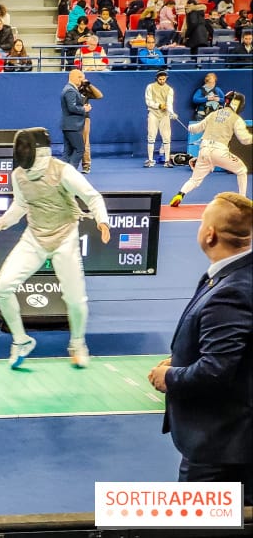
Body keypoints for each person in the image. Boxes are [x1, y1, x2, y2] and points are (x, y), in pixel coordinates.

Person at [147, 192, 252, 507]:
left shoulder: (230, 291)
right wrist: (180, 358)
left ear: (210, 233)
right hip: (231, 442)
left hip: (220, 448)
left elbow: (215, 371)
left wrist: (170, 377)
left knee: (199, 527)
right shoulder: (233, 276)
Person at [0, 128, 111, 369]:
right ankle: (21, 341)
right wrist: (1, 222)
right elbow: (21, 205)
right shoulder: (19, 175)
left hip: (65, 238)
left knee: (75, 298)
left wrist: (102, 220)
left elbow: (92, 197)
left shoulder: (63, 171)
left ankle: (77, 343)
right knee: (2, 288)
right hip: (34, 237)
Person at [170, 92, 251, 207]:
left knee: (195, 180)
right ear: (238, 104)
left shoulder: (214, 114)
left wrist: (190, 127)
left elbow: (195, 128)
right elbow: (244, 139)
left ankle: (180, 194)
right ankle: (242, 199)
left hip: (203, 151)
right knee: (242, 170)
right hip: (220, 151)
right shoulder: (236, 119)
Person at [144, 70, 177, 168]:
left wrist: (172, 113)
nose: (162, 81)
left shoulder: (169, 89)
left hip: (164, 115)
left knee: (167, 137)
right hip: (153, 113)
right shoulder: (150, 87)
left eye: (164, 79)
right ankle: (150, 160)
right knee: (151, 136)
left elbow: (169, 103)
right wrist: (159, 105)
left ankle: (167, 161)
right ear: (156, 78)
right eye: (160, 79)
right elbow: (148, 101)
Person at [60, 69, 92, 170]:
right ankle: (71, 172)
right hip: (73, 126)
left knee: (68, 152)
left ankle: (62, 173)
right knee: (79, 149)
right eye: (81, 78)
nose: (83, 81)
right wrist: (85, 109)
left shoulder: (69, 88)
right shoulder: (70, 90)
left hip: (69, 125)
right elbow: (72, 107)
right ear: (76, 78)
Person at [79, 77, 103, 174]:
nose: (81, 79)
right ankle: (71, 165)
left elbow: (99, 95)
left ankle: (86, 166)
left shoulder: (85, 91)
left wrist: (89, 85)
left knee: (85, 142)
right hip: (73, 118)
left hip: (85, 118)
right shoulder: (71, 89)